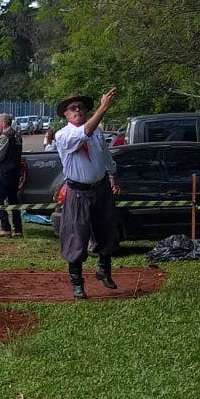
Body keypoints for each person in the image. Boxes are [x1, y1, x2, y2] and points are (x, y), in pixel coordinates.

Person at [54, 89, 120, 299]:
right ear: (65, 114)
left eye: (81, 107)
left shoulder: (97, 132)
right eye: (72, 108)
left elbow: (105, 154)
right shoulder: (63, 135)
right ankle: (77, 283)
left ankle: (103, 270)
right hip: (78, 192)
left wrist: (112, 174)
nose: (78, 110)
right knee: (76, 236)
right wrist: (103, 108)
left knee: (106, 230)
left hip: (100, 188)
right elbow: (84, 133)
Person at [0, 113, 24, 239]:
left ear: (4, 123)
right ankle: (18, 229)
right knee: (14, 201)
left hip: (6, 172)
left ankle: (5, 228)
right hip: (15, 172)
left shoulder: (5, 136)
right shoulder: (17, 135)